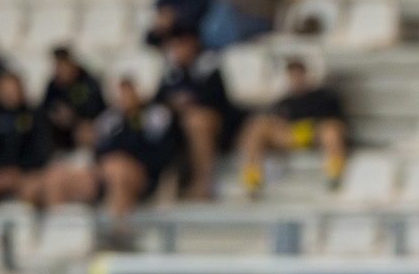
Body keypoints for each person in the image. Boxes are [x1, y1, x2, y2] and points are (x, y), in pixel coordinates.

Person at [238, 59, 349, 194]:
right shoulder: (284, 101)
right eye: (292, 75)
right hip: (290, 136)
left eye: (298, 75)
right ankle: (251, 177)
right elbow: (274, 122)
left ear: (305, 75)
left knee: (332, 130)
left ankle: (334, 173)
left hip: (313, 134)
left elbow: (336, 120)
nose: (295, 79)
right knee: (257, 125)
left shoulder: (323, 96)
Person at [156, 29, 239, 200]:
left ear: (192, 44)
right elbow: (158, 99)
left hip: (216, 125)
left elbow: (217, 99)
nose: (176, 50)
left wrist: (189, 101)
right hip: (177, 128)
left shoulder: (209, 64)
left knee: (197, 120)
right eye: (174, 46)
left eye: (180, 45)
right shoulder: (172, 72)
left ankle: (203, 183)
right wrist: (174, 103)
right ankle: (159, 188)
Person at [0, 73, 60, 208]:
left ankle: (27, 226)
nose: (10, 94)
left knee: (32, 189)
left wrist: (18, 171)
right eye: (6, 90)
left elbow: (43, 150)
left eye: (13, 89)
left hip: (25, 175)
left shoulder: (35, 117)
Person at [92, 77, 182, 222]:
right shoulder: (109, 119)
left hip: (144, 173)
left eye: (129, 92)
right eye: (122, 92)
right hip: (109, 170)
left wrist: (128, 158)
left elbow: (161, 152)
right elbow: (100, 152)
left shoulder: (157, 116)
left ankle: (118, 227)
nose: (125, 97)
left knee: (119, 172)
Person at [40, 48, 106, 153]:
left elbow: (98, 107)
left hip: (85, 123)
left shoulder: (88, 81)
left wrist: (75, 116)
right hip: (60, 127)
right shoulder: (53, 84)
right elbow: (45, 107)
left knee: (85, 130)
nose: (61, 70)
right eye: (58, 66)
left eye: (63, 66)